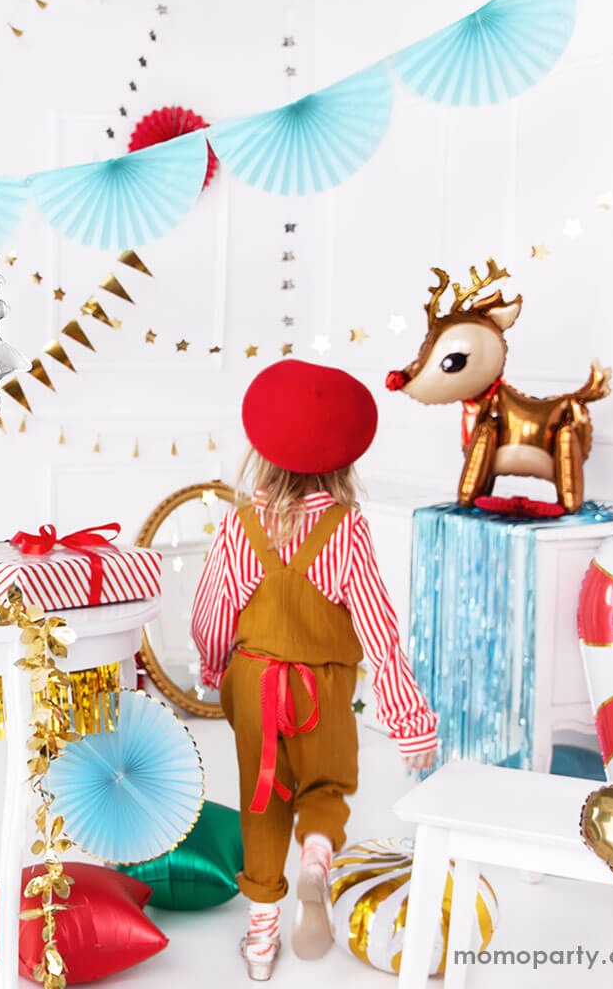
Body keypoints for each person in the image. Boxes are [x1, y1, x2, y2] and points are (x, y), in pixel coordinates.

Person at [191, 359, 438, 980]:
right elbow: (379, 626)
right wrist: (410, 720)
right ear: (343, 457)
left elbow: (213, 609)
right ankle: (317, 861)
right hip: (325, 686)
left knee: (261, 797)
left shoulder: (239, 523)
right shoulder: (347, 526)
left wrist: (213, 666)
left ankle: (260, 936)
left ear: (263, 451)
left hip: (254, 682)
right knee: (325, 785)